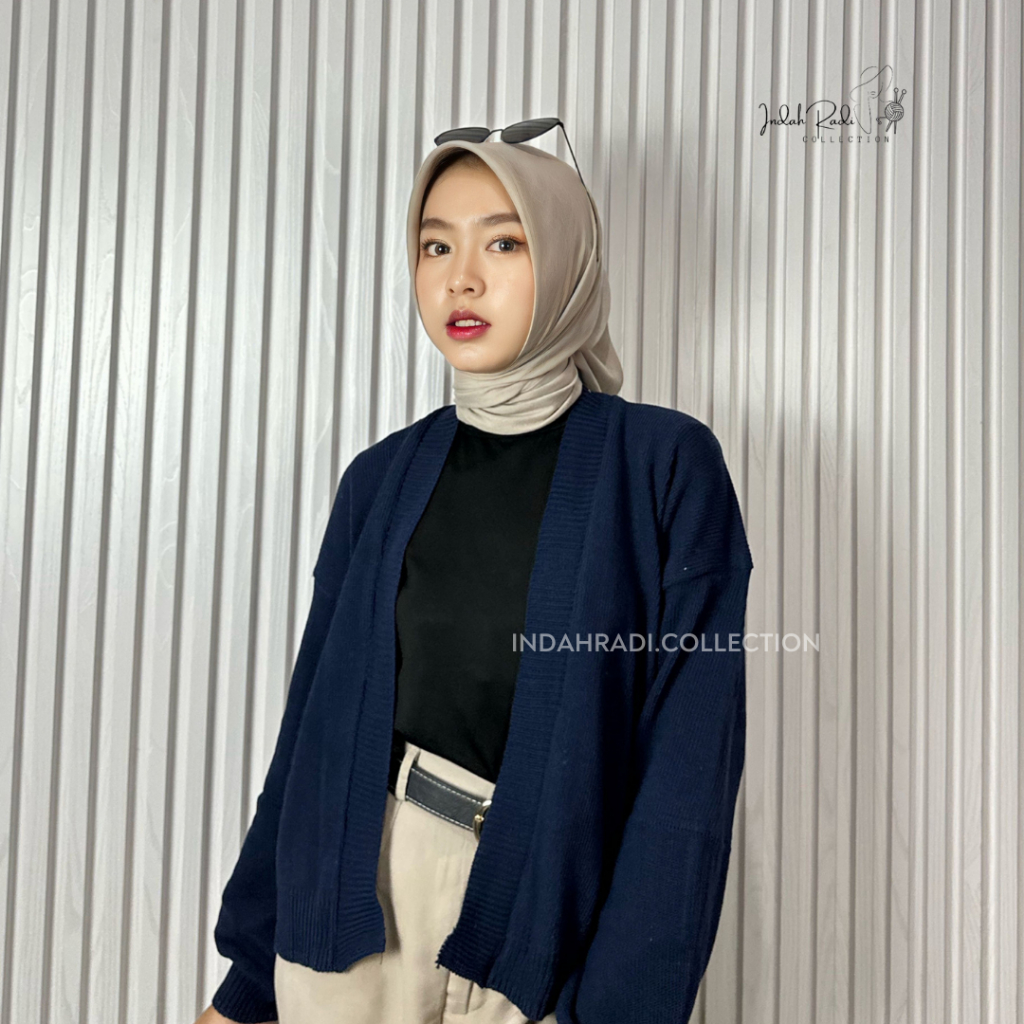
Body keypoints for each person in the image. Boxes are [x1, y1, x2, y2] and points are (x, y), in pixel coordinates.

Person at [195, 128, 753, 1024]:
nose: (460, 279)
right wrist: (247, 983)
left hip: (526, 945)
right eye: (435, 246)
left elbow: (684, 790)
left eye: (503, 242)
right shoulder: (378, 480)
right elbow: (307, 743)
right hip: (340, 929)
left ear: (567, 260)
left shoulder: (663, 468)